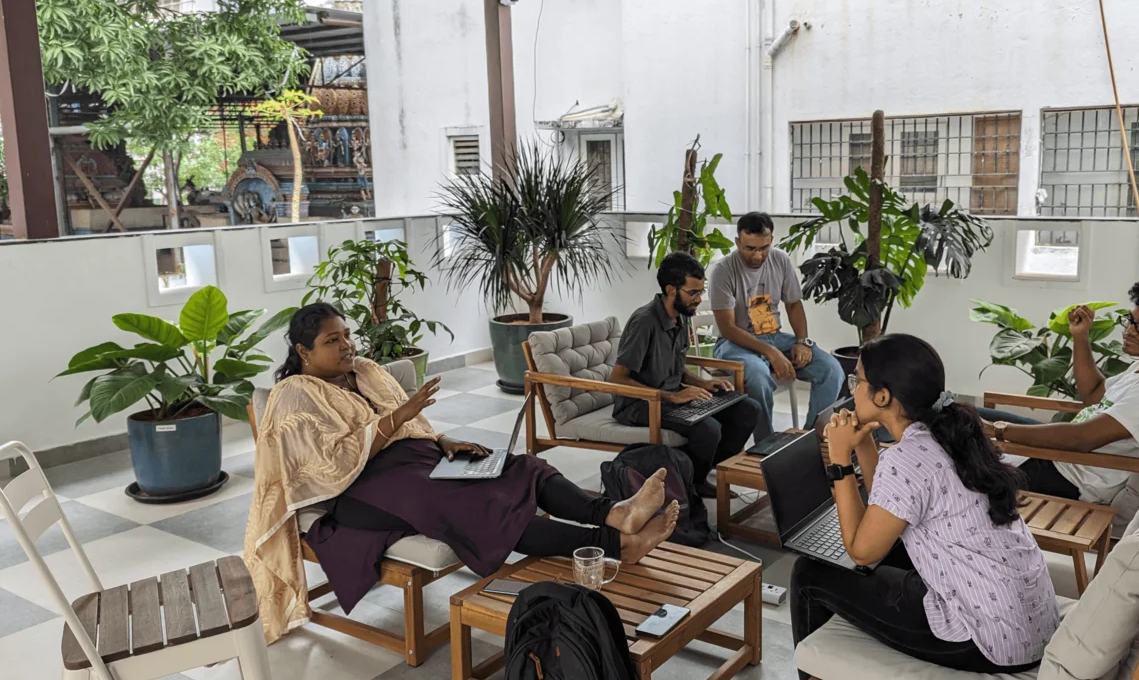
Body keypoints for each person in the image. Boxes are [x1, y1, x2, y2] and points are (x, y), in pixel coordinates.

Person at [244, 303, 679, 642]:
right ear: (303, 352)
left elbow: (413, 427)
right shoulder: (292, 394)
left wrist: (442, 442)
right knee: (486, 509)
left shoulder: (363, 371)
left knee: (519, 467)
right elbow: (326, 467)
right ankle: (616, 546)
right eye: (331, 341)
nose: (346, 346)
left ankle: (612, 514)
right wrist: (398, 419)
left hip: (411, 461)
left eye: (347, 336)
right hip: (360, 491)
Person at [762, 334, 1059, 680]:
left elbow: (862, 551)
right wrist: (864, 444)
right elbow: (894, 507)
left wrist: (840, 461)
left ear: (882, 396)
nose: (852, 388)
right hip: (1026, 623)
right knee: (886, 548)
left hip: (986, 641)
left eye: (857, 381)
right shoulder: (949, 432)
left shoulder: (911, 458)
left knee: (809, 574)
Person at [980, 277, 1139, 502]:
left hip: (1069, 475)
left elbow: (1081, 438)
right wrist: (1080, 336)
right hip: (1065, 455)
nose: (1130, 331)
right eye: (1130, 320)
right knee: (962, 415)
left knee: (960, 449)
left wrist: (997, 430)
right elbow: (1094, 394)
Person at [612, 252, 761, 496]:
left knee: (747, 409)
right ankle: (694, 484)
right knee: (708, 429)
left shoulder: (680, 317)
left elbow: (677, 368)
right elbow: (618, 379)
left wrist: (704, 383)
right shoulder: (644, 322)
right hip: (640, 405)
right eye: (693, 293)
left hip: (671, 396)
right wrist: (672, 397)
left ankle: (696, 468)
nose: (699, 299)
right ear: (671, 290)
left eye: (701, 292)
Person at [709, 212, 846, 440]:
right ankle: (766, 444)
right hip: (734, 343)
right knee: (758, 376)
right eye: (750, 248)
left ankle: (811, 436)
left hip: (774, 336)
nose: (758, 255)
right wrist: (771, 353)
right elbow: (728, 328)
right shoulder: (723, 271)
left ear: (771, 239)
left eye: (764, 247)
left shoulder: (780, 260)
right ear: (738, 242)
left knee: (832, 370)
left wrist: (802, 342)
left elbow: (793, 305)